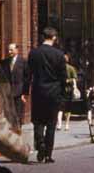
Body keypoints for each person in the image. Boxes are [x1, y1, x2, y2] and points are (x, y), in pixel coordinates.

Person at [28, 27, 67, 163]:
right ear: (54, 38)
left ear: (42, 37)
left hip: (38, 91)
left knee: (38, 122)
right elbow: (63, 77)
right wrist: (63, 93)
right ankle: (48, 154)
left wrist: (25, 91)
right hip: (54, 92)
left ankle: (40, 145)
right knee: (51, 123)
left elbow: (28, 74)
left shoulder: (34, 53)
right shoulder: (59, 54)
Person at [1, 43, 28, 123]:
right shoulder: (5, 62)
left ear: (17, 50)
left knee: (18, 113)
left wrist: (24, 93)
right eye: (9, 50)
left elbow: (27, 78)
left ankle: (18, 130)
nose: (9, 52)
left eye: (11, 50)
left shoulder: (23, 61)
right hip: (8, 92)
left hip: (19, 92)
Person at [58, 53, 78, 131]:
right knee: (67, 108)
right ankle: (66, 124)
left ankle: (60, 124)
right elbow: (75, 78)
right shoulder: (71, 68)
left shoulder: (59, 69)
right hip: (68, 90)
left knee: (60, 107)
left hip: (62, 90)